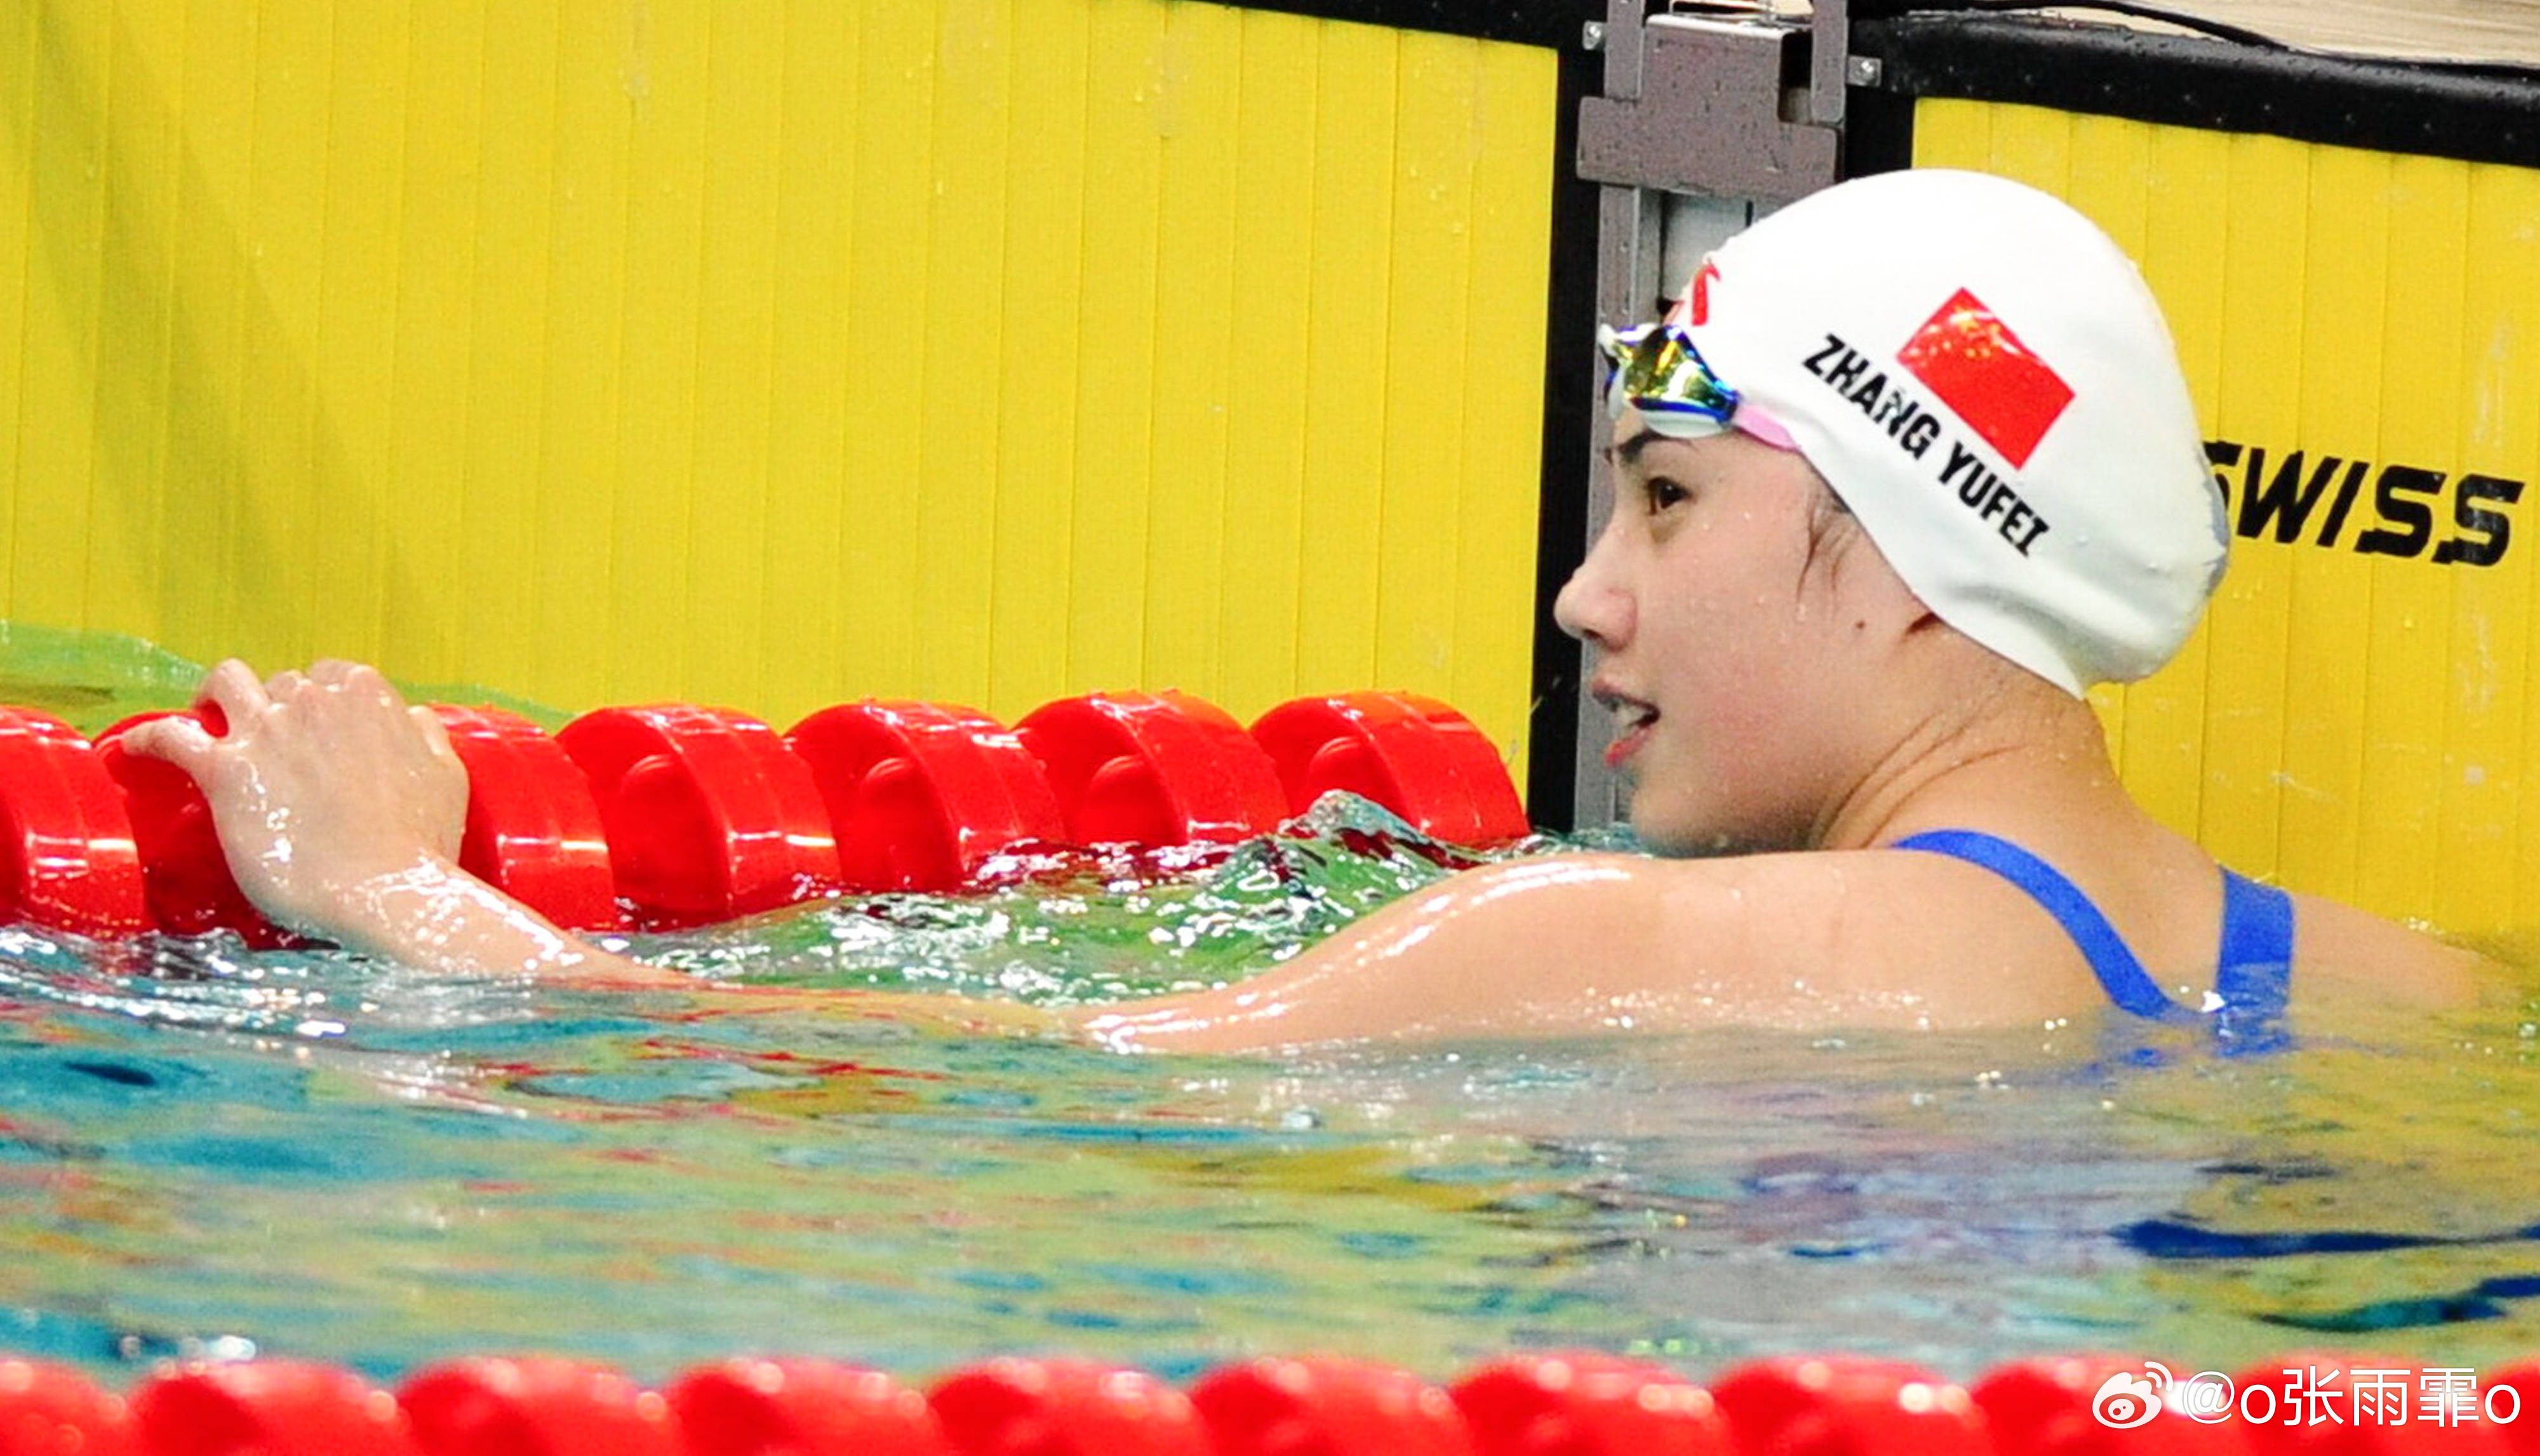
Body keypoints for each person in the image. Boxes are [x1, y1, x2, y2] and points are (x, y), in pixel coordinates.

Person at [123, 170, 2482, 1053]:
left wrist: (415, 908)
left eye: (1665, 503)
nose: (1585, 594)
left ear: (1898, 544)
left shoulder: (1625, 947)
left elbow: (978, 1095)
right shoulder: (2395, 999)